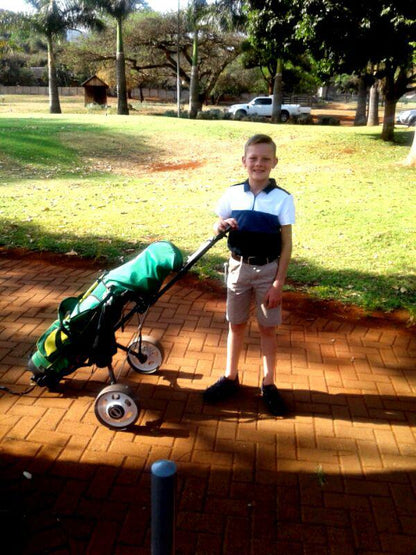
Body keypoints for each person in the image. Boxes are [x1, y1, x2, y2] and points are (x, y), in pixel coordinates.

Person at [203, 134, 295, 416]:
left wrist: (278, 283)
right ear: (244, 162)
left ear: (274, 163)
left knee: (267, 328)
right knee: (236, 324)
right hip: (238, 268)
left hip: (268, 270)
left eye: (265, 159)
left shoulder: (283, 199)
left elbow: (287, 243)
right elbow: (217, 225)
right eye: (253, 158)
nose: (259, 164)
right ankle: (231, 377)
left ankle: (268, 384)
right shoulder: (233, 193)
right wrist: (221, 225)